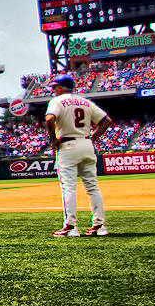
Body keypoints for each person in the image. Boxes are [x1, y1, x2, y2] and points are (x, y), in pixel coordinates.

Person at [44, 74, 112, 237]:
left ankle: (70, 226)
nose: (54, 90)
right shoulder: (85, 102)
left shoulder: (57, 101)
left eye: (55, 87)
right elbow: (107, 121)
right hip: (86, 143)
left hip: (68, 145)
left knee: (68, 187)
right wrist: (93, 138)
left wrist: (54, 140)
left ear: (60, 87)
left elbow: (49, 119)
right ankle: (99, 226)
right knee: (92, 186)